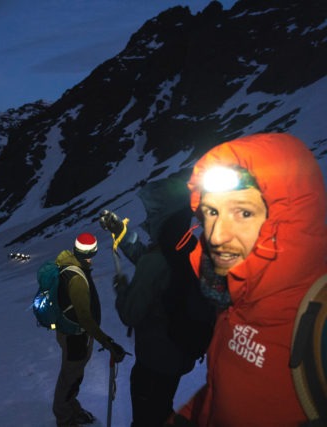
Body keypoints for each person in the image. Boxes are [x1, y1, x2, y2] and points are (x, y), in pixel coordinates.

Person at [174, 133, 327, 426]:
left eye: (243, 212)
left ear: (283, 221)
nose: (217, 235)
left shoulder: (319, 322)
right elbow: (222, 393)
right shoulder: (234, 300)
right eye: (211, 212)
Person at [99, 175, 215, 427]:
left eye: (153, 212)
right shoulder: (187, 245)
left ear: (163, 215)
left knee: (147, 417)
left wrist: (123, 290)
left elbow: (131, 313)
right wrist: (121, 232)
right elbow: (150, 262)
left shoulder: (160, 256)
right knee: (161, 408)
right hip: (179, 352)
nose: (148, 218)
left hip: (156, 357)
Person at [53, 232, 127, 427]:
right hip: (75, 336)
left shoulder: (72, 265)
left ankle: (71, 407)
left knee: (74, 374)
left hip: (73, 333)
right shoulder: (77, 277)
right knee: (69, 377)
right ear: (92, 252)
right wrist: (107, 341)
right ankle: (64, 418)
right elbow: (85, 317)